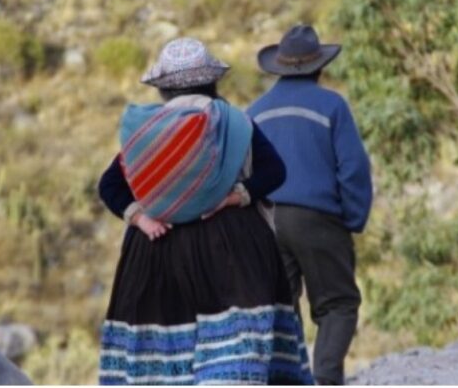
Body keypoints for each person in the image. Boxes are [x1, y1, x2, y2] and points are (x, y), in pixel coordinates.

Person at [97, 37, 313, 385]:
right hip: (229, 247)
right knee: (235, 347)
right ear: (211, 80)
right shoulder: (233, 122)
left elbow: (109, 186)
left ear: (164, 88)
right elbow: (275, 171)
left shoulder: (148, 132)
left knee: (162, 355)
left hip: (157, 251)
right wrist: (236, 196)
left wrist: (143, 219)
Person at [247, 25, 373, 385]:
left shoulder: (254, 112)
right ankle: (326, 377)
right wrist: (352, 218)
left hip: (266, 222)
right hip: (318, 220)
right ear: (319, 66)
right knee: (337, 304)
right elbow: (353, 167)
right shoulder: (332, 105)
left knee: (281, 310)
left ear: (279, 67)